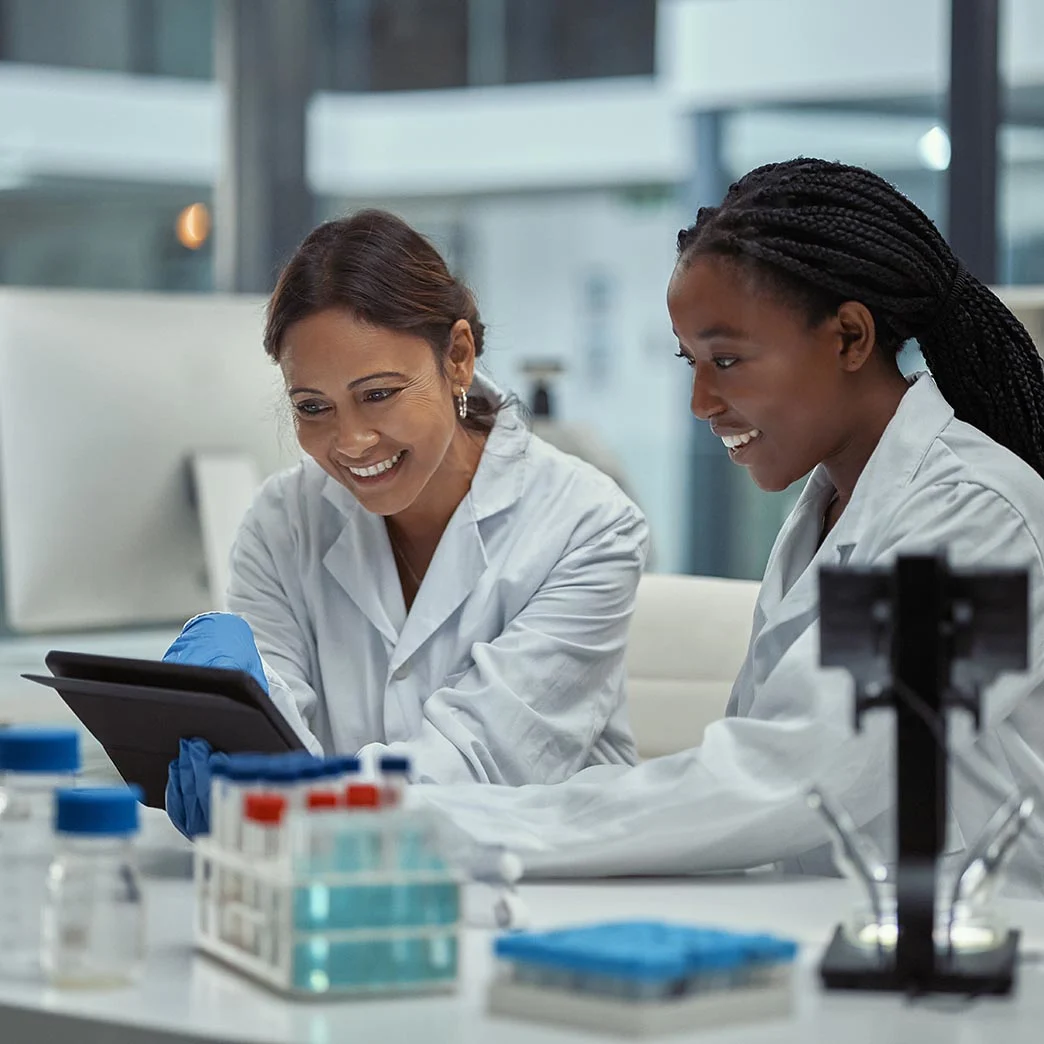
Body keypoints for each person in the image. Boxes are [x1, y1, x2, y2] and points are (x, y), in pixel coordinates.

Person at [416, 158, 1044, 893]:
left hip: (990, 967)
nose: (701, 401)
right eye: (690, 361)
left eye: (727, 359)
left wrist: (463, 827)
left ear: (848, 337)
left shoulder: (978, 517)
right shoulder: (828, 512)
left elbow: (795, 773)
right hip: (844, 932)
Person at [163, 210, 647, 837]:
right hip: (345, 891)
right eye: (313, 407)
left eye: (379, 394)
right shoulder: (282, 523)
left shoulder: (588, 525)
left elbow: (483, 761)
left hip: (543, 891)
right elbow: (270, 735)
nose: (352, 441)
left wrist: (286, 793)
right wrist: (225, 734)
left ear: (458, 358)